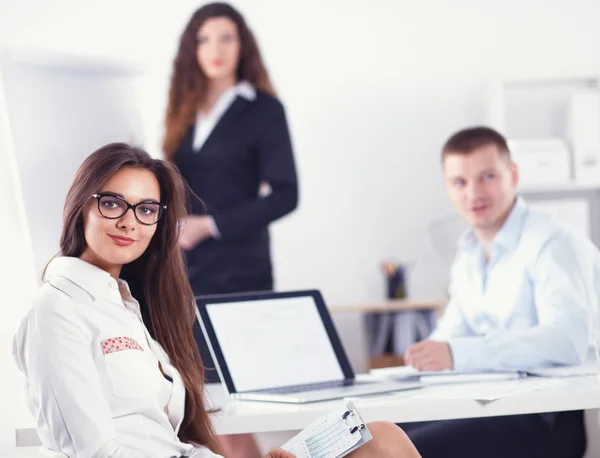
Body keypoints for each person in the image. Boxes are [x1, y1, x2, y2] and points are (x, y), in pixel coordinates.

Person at [12, 143, 421, 458]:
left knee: (379, 437)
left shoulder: (126, 306)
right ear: (82, 205)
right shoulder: (57, 311)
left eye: (146, 210)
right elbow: (96, 454)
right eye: (113, 202)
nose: (129, 221)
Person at [402, 127, 596, 458]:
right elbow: (450, 336)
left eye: (487, 176)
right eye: (459, 182)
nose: (473, 193)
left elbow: (567, 340)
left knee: (400, 448)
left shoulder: (552, 242)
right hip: (487, 405)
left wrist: (456, 353)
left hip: (545, 418)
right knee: (374, 434)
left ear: (513, 175)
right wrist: (420, 358)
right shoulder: (468, 256)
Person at [164, 4, 297, 455]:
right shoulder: (183, 112)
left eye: (226, 38)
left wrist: (211, 225)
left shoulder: (263, 110)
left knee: (228, 410)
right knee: (202, 413)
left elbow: (286, 194)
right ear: (191, 49)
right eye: (204, 39)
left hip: (240, 274)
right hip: (184, 275)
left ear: (243, 46)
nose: (215, 49)